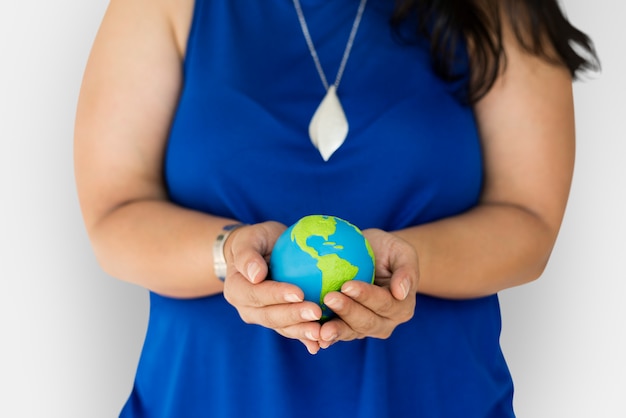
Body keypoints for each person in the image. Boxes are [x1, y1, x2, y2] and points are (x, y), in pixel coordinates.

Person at [74, 0, 598, 416]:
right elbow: (114, 215)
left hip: (433, 401)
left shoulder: (499, 7)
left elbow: (529, 223)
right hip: (204, 401)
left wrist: (404, 265)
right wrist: (229, 253)